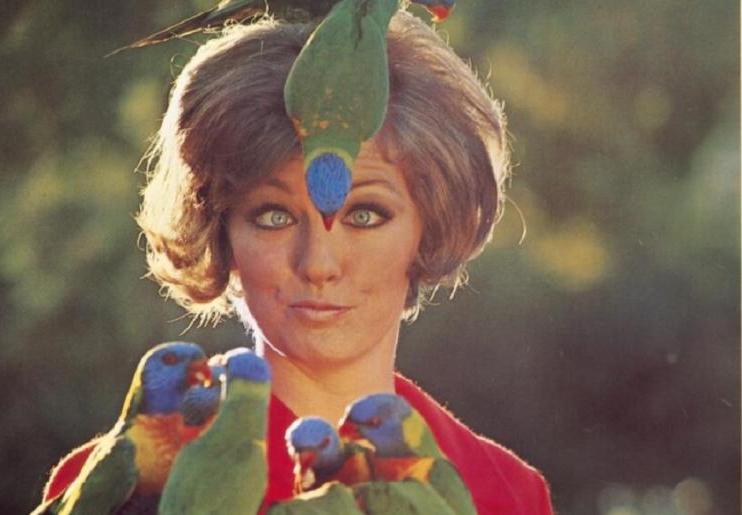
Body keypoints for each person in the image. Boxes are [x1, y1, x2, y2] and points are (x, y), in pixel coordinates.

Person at [42, 9, 554, 515]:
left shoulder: (507, 492)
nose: (319, 263)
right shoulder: (117, 485)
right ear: (222, 231)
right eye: (273, 216)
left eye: (366, 214)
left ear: (431, 223)